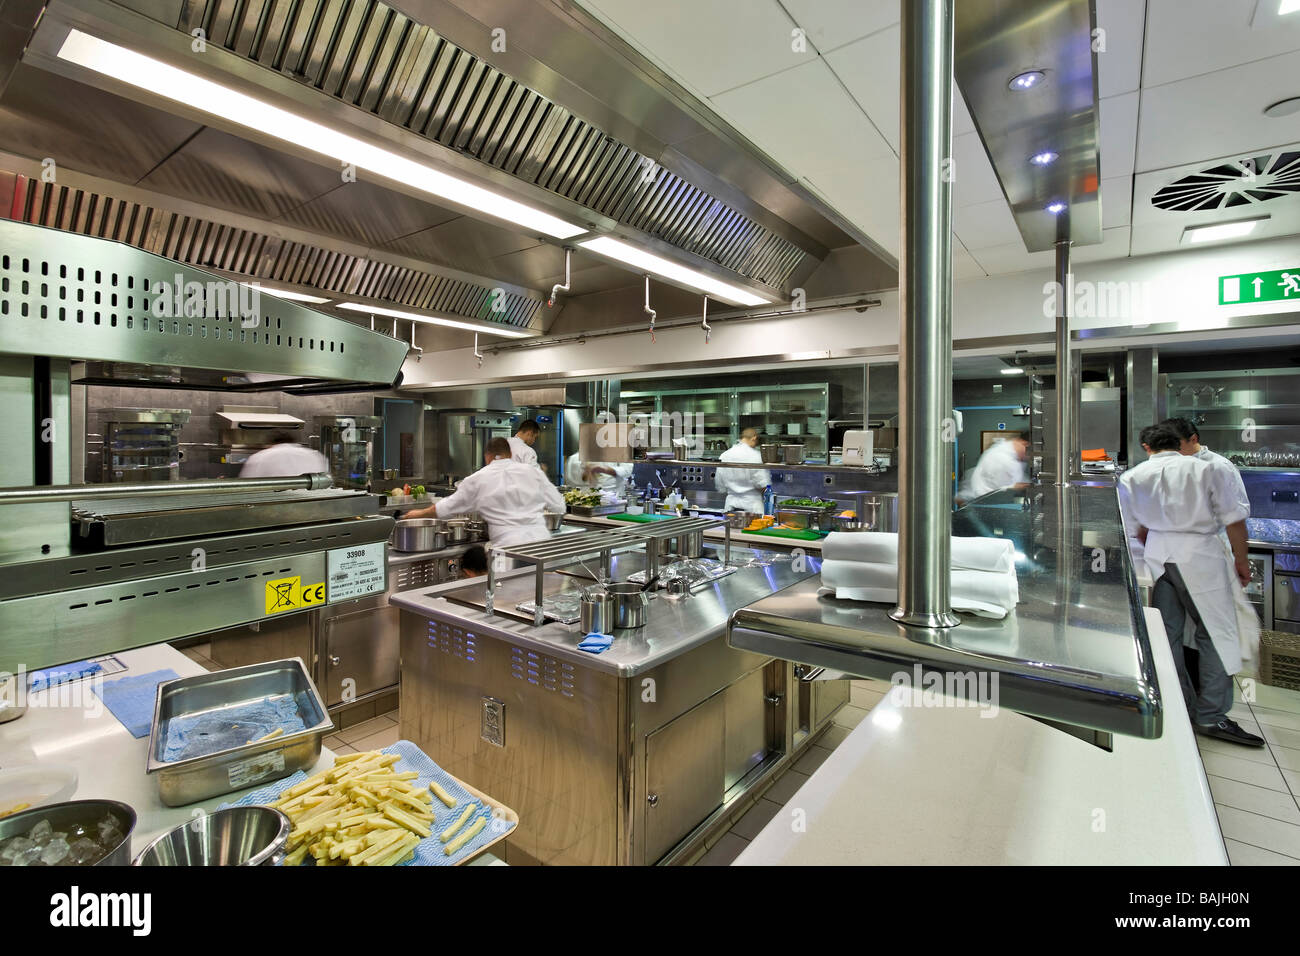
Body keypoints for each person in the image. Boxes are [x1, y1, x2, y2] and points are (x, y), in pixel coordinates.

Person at [1118, 423, 1262, 747]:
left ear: (1146, 447)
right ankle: (1211, 716)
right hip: (1200, 558)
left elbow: (1134, 529)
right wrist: (1241, 561)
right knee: (1215, 633)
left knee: (1164, 635)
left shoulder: (1133, 477)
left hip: (1157, 560)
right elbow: (1235, 521)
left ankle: (1177, 704)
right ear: (1179, 443)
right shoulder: (1208, 471)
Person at [1162, 417, 1258, 684]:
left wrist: (1241, 562)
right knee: (1173, 633)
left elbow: (1235, 521)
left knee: (1213, 632)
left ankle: (1212, 710)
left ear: (1194, 439)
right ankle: (1185, 699)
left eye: (1176, 445)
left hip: (1207, 557)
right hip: (1170, 559)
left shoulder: (1219, 468)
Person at [404, 437, 564, 554]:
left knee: (505, 595)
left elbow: (446, 508)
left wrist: (418, 514)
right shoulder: (533, 472)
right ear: (510, 454)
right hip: (541, 546)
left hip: (507, 549)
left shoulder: (478, 478)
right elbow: (559, 505)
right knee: (540, 595)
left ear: (487, 456)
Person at [715, 428, 771, 513]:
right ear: (754, 438)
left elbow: (720, 486)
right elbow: (763, 485)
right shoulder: (755, 456)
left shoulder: (724, 455)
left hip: (731, 506)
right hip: (752, 507)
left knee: (731, 526)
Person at [958, 436, 1029, 502]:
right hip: (984, 501)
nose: (1027, 455)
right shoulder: (1000, 456)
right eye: (1027, 449)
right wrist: (1016, 486)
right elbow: (998, 487)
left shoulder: (1012, 456)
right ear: (1023, 443)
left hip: (993, 500)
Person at [240, 429, 329, 478]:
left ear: (271, 444)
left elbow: (246, 484)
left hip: (276, 504)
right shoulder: (314, 455)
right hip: (313, 502)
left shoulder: (261, 457)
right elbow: (326, 479)